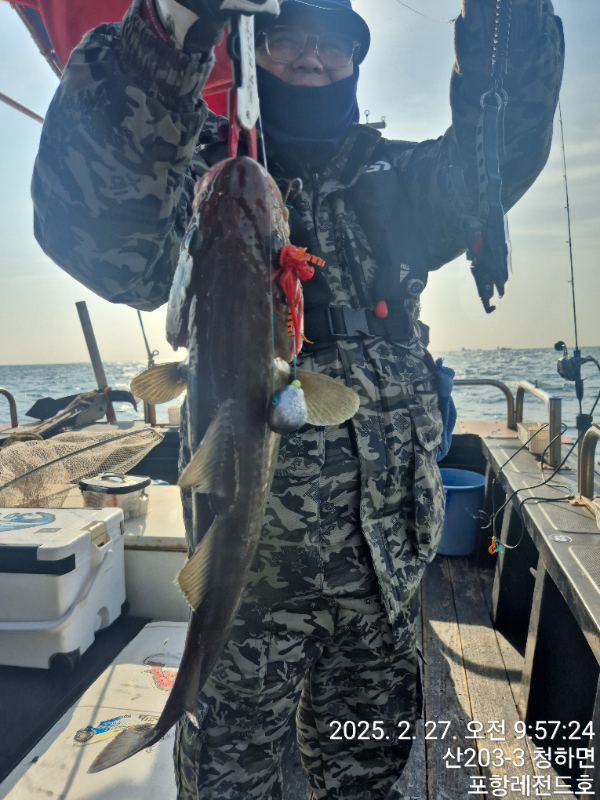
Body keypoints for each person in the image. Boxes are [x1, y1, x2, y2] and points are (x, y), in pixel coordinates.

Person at [31, 0, 564, 797]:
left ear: (356, 63)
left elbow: (501, 151)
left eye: (334, 45)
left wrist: (512, 21)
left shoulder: (401, 183)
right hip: (248, 596)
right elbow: (97, 234)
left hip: (384, 580)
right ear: (252, 48)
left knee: (367, 778)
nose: (313, 58)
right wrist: (167, 32)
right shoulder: (200, 178)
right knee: (226, 784)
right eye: (288, 39)